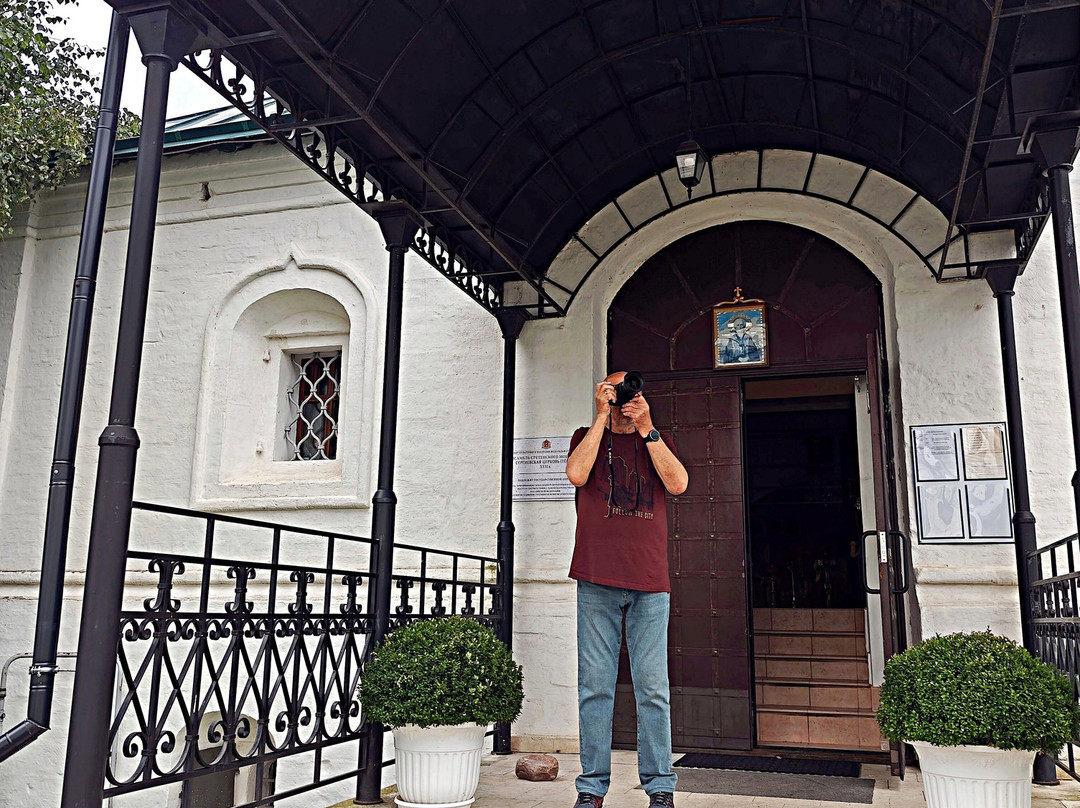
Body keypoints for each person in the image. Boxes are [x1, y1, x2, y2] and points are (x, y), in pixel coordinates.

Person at [564, 371, 689, 808]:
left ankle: (659, 788)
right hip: (595, 578)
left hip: (649, 582)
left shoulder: (656, 436)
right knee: (594, 687)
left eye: (627, 390)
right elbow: (577, 475)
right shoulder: (586, 435)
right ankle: (592, 789)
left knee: (652, 688)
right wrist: (601, 418)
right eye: (612, 390)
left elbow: (678, 484)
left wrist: (646, 426)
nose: (622, 398)